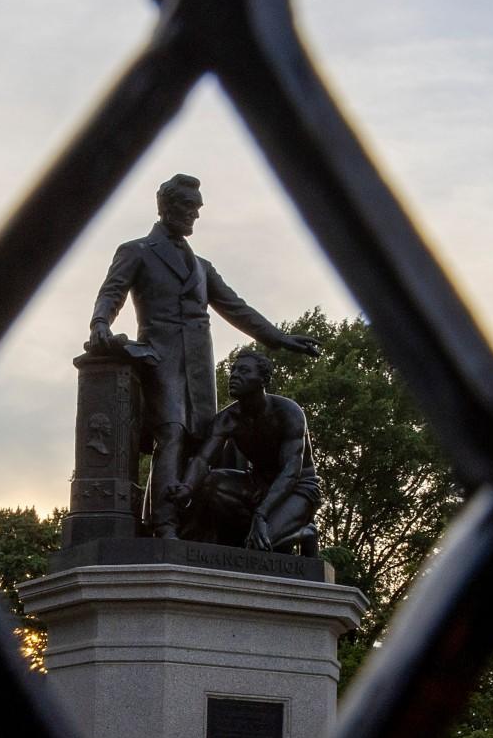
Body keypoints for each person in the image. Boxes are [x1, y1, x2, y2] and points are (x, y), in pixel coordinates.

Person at [87, 173, 322, 537]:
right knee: (172, 433)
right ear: (165, 206)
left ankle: (192, 524)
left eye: (197, 208)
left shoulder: (202, 267)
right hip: (160, 356)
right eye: (187, 206)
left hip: (199, 364)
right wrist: (100, 322)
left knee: (200, 440)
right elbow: (112, 290)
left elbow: (235, 307)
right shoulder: (137, 251)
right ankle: (164, 525)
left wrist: (277, 338)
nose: (194, 214)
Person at [173, 350, 322, 554]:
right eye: (233, 370)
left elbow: (291, 472)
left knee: (259, 546)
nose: (234, 375)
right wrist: (187, 489)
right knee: (208, 483)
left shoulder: (288, 413)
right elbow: (202, 460)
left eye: (244, 371)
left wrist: (262, 513)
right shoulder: (228, 419)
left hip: (297, 489)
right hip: (256, 485)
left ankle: (305, 530)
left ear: (263, 380)